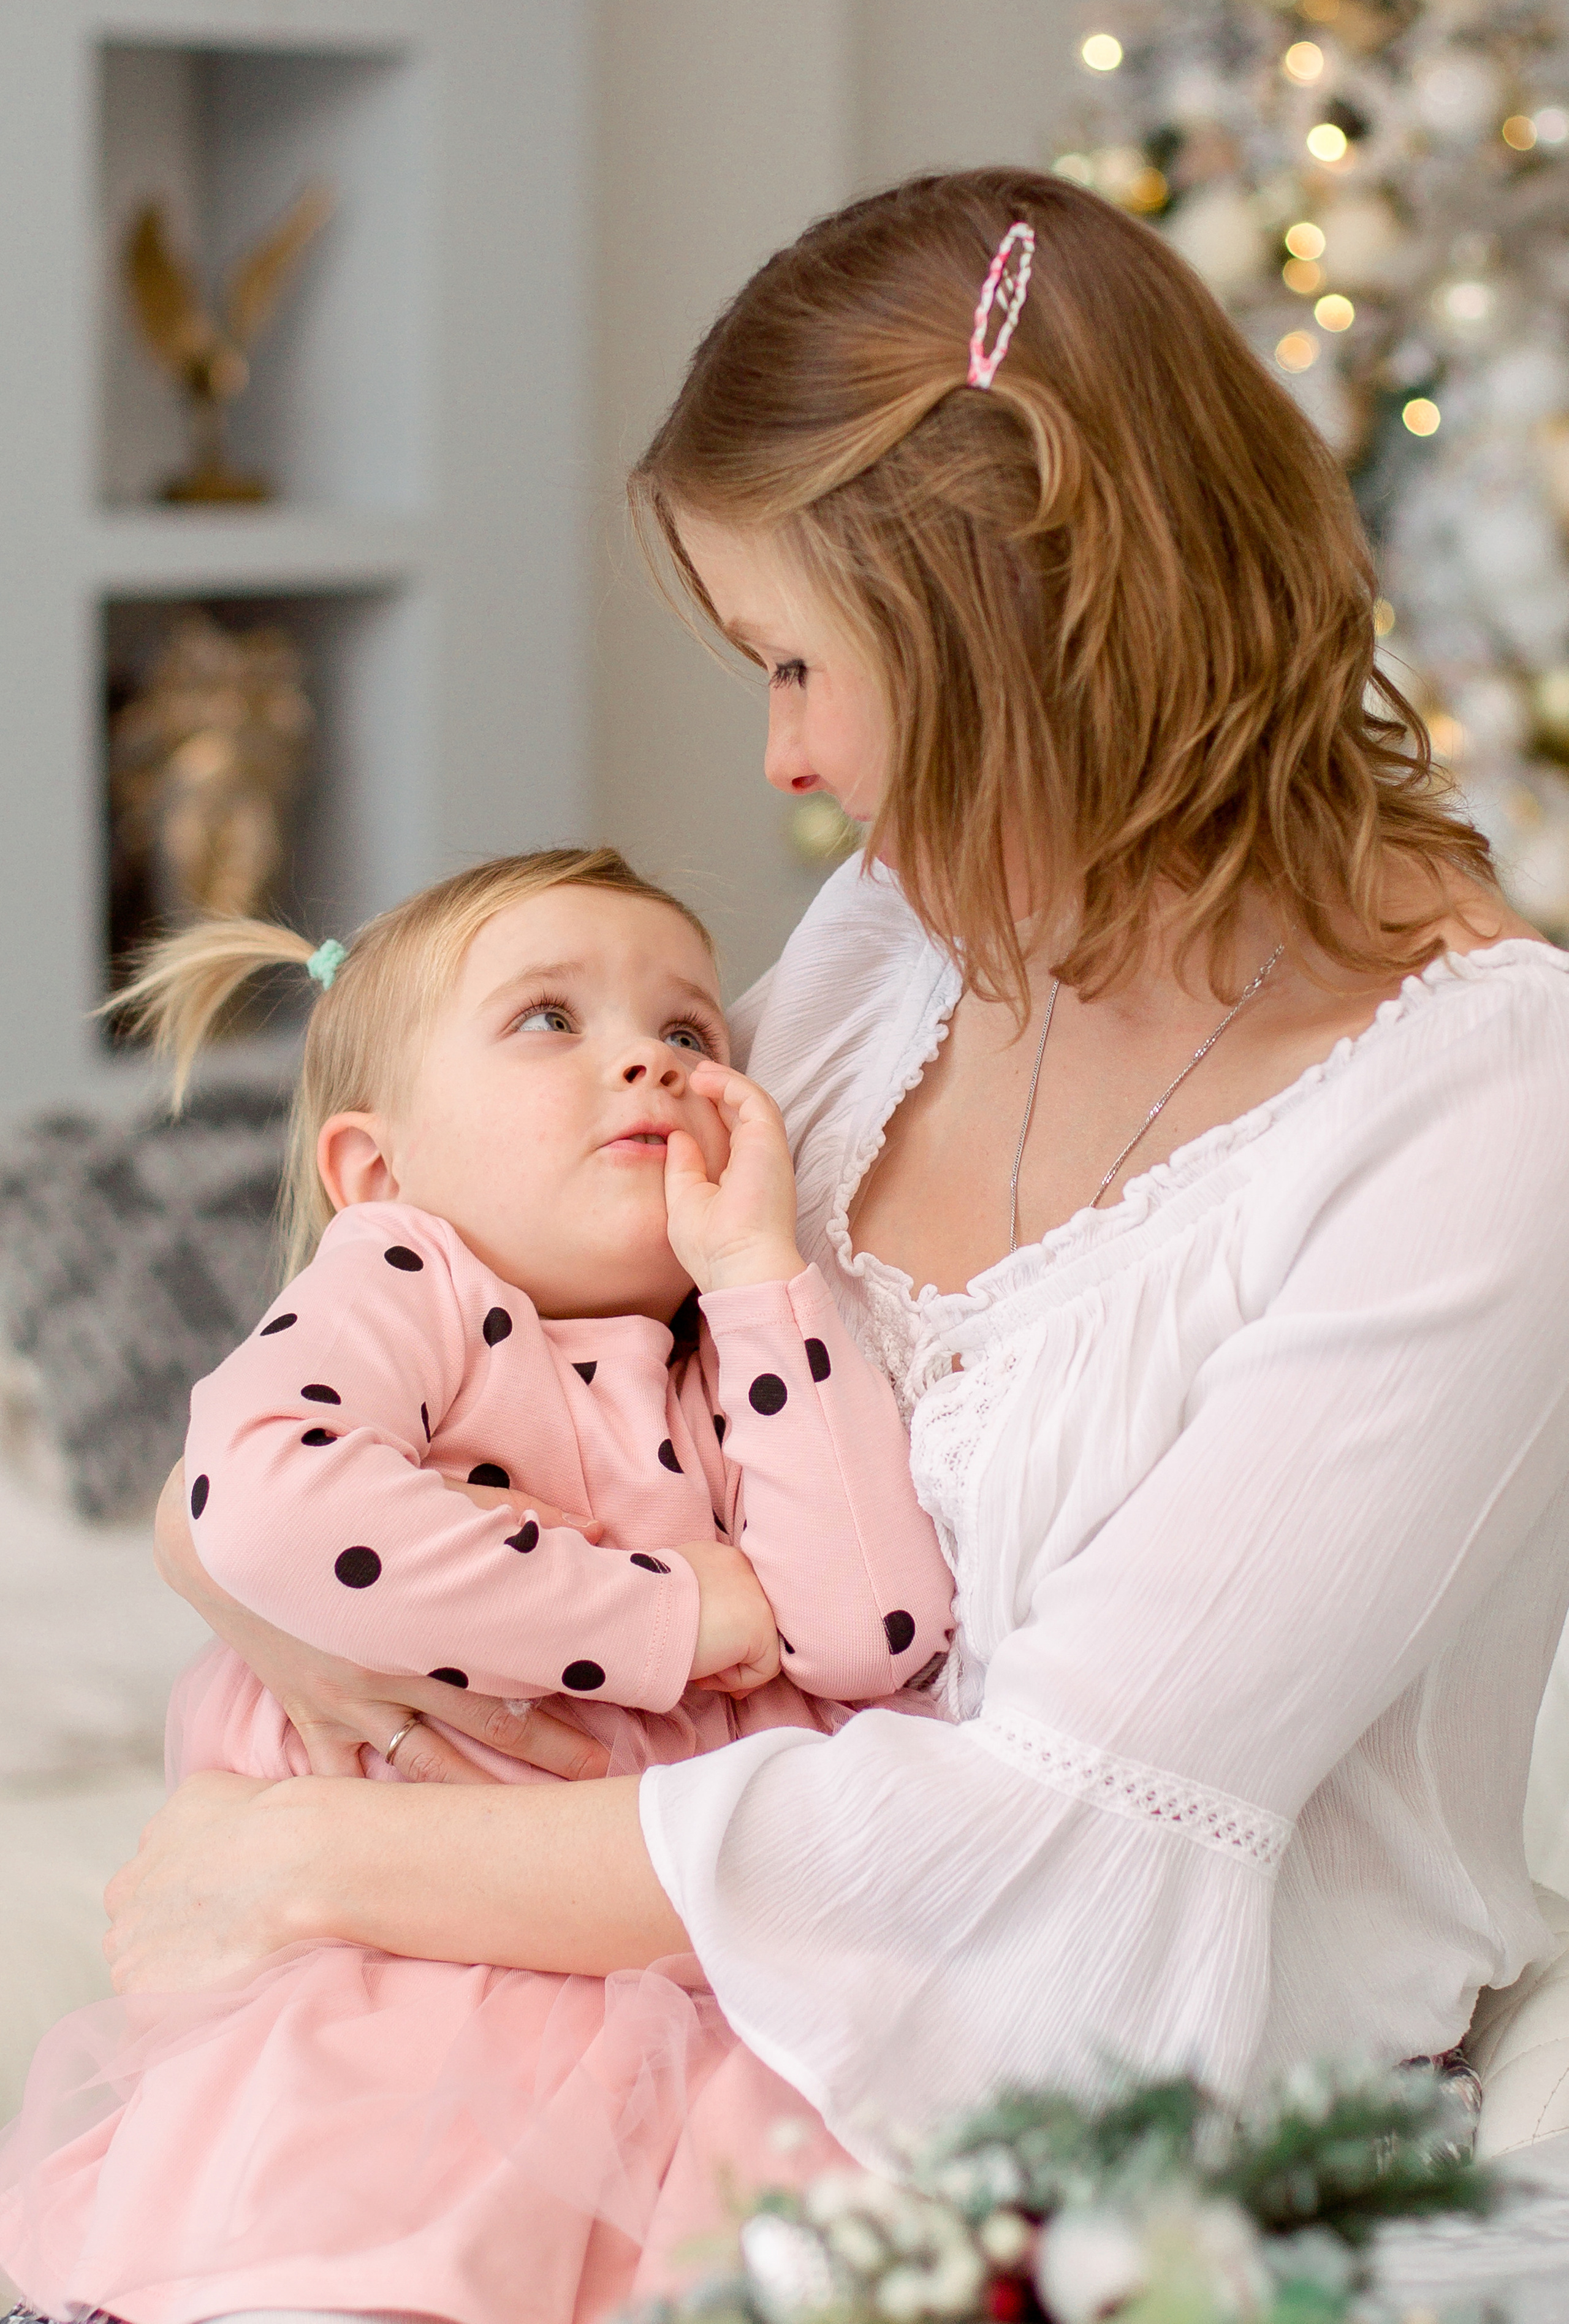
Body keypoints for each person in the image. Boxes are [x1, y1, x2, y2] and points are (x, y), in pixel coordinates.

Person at [12, 162, 1569, 2324]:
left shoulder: (1482, 1112)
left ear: (1020, 634)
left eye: (804, 663)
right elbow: (533, 1348)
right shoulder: (911, 932)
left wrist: (318, 1861)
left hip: (1123, 2146)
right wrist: (234, 1532)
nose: (793, 761)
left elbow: (1061, 1839)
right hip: (687, 2052)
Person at [0, 847, 952, 2323]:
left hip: (667, 1984)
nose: (643, 1054)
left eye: (687, 1033)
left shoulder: (730, 1352)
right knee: (350, 2263)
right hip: (399, 1990)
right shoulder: (411, 1282)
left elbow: (868, 1631)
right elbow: (256, 1494)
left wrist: (764, 1273)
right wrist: (663, 1613)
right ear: (378, 1170)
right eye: (546, 1021)